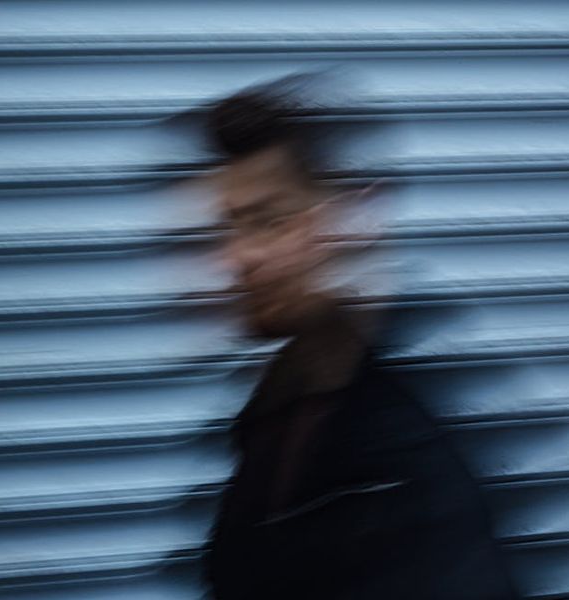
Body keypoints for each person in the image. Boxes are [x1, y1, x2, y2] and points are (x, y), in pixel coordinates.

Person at [201, 83, 519, 599]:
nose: (235, 259)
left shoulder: (423, 430)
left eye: (267, 221)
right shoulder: (279, 408)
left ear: (356, 217)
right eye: (229, 227)